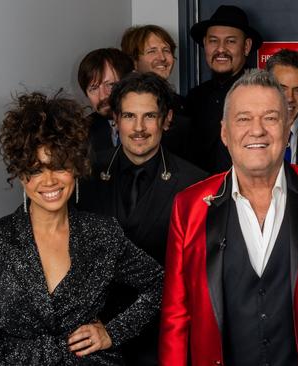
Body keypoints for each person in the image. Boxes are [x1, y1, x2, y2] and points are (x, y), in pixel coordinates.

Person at [159, 69, 298, 366]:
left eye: (270, 118)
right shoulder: (189, 205)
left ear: (288, 130)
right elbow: (176, 313)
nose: (257, 130)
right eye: (244, 119)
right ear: (225, 132)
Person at [0, 91, 163, 365]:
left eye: (59, 167)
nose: (49, 181)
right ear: (21, 175)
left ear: (76, 168)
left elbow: (160, 284)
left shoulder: (102, 234)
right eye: (35, 170)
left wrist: (112, 332)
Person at [77, 72, 206, 365]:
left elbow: (197, 278)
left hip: (164, 339)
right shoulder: (84, 176)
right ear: (115, 120)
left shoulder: (196, 185)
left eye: (149, 116)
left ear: (166, 119)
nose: (138, 128)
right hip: (94, 339)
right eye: (128, 116)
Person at [186, 4, 263, 173]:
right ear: (205, 44)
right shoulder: (193, 98)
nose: (221, 49)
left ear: (247, 46)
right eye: (213, 41)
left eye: (230, 41)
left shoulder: (261, 95)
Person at [121, 24, 192, 161]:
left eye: (166, 50)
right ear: (134, 61)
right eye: (152, 51)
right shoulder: (121, 102)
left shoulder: (185, 104)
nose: (162, 58)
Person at [77, 48, 134, 155]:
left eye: (111, 85)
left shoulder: (161, 124)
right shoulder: (82, 133)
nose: (103, 96)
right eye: (93, 88)